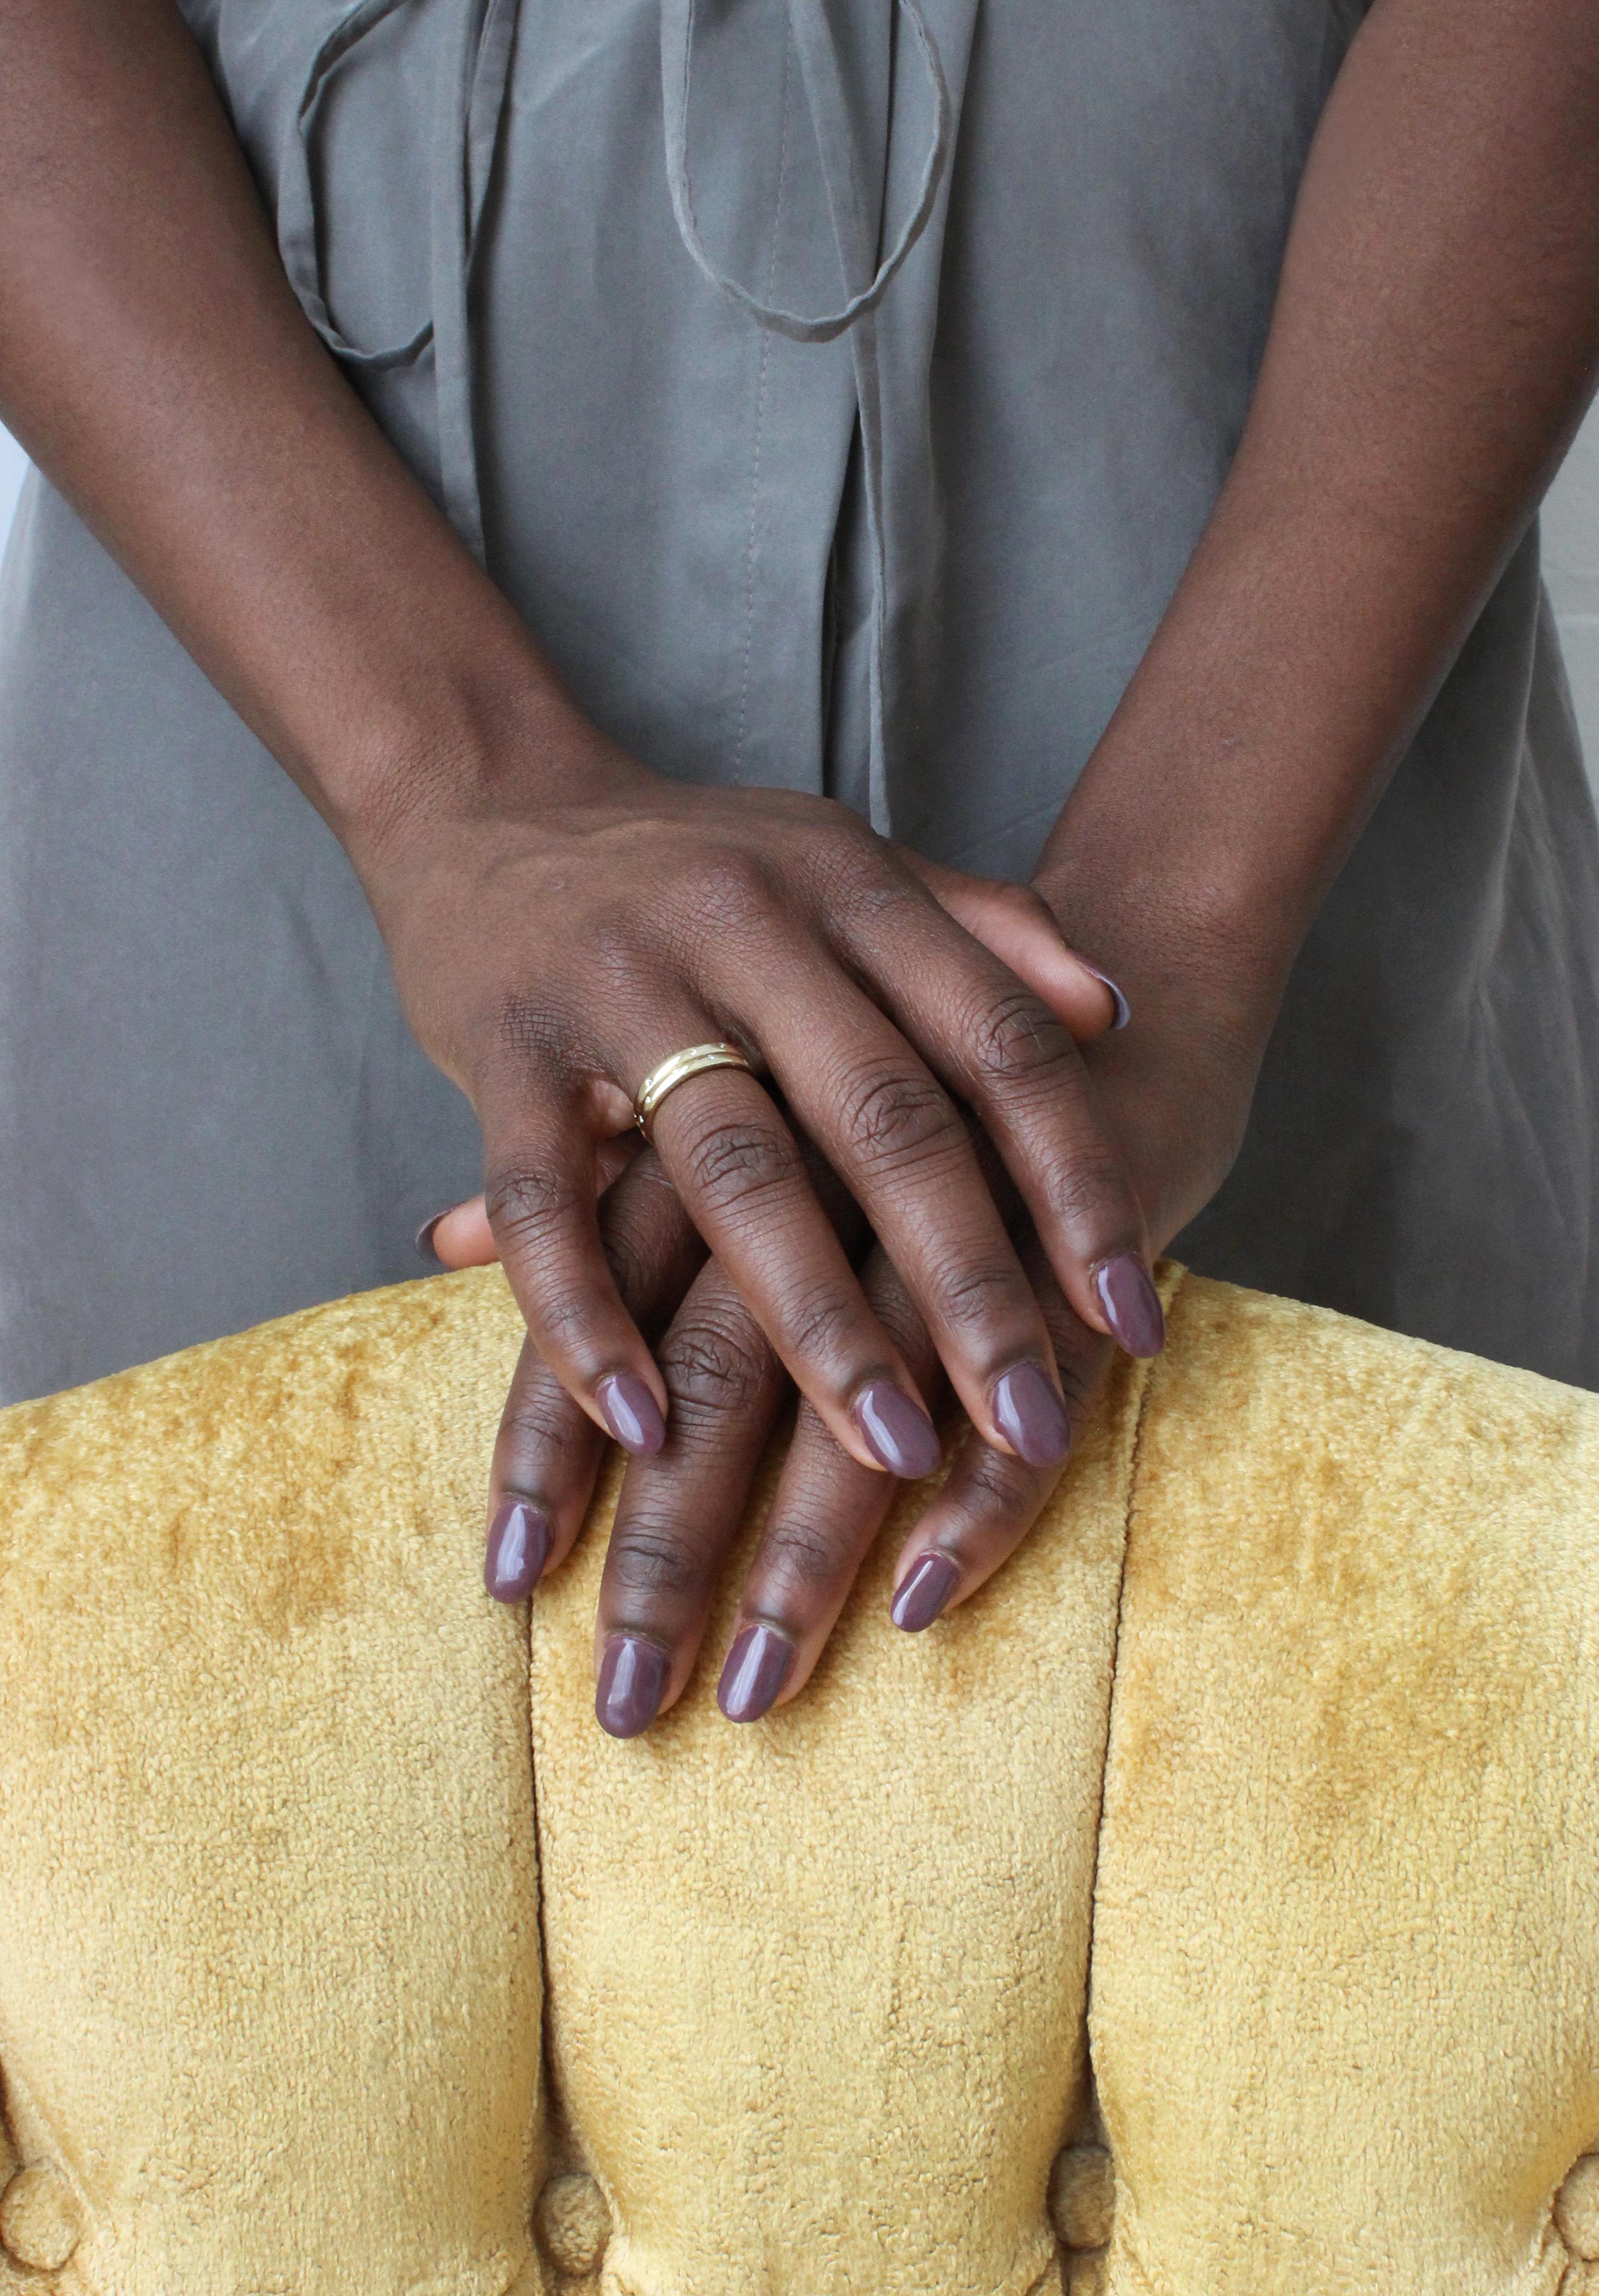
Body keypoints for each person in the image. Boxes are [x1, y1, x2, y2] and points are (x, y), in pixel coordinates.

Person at [2, 0, 1597, 1737]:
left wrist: (1175, 922)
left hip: (1287, 591)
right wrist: (441, 781)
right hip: (245, 523)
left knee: (1365, 1874)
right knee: (221, 1845)